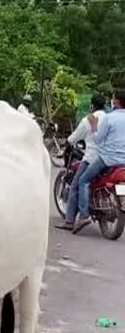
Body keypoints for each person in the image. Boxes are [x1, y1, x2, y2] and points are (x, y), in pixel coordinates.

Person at [71, 89, 125, 233]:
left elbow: (98, 139)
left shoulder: (109, 117)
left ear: (116, 101)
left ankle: (83, 215)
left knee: (83, 180)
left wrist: (94, 127)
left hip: (107, 159)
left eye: (113, 98)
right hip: (123, 161)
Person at [55, 94, 107, 230]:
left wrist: (66, 143)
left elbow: (74, 138)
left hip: (91, 157)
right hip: (108, 157)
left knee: (76, 185)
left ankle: (71, 220)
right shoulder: (109, 118)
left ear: (92, 106)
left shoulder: (89, 120)